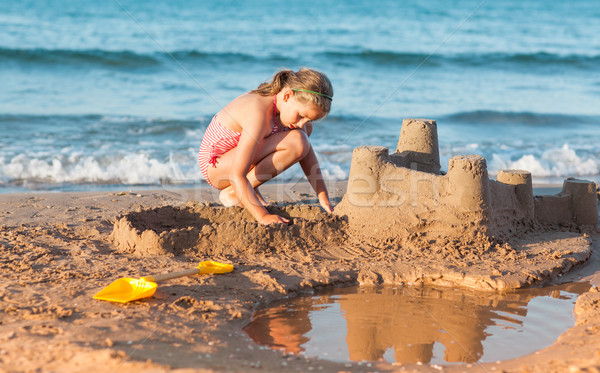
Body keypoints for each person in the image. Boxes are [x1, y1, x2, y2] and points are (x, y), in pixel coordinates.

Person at [198, 68, 334, 225]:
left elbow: (307, 154)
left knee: (302, 135)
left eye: (309, 119)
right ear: (288, 95)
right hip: (216, 166)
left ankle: (246, 191)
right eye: (301, 116)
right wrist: (263, 216)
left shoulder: (287, 109)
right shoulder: (258, 113)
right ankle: (235, 192)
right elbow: (237, 173)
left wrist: (322, 195)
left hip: (240, 157)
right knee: (297, 140)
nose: (303, 122)